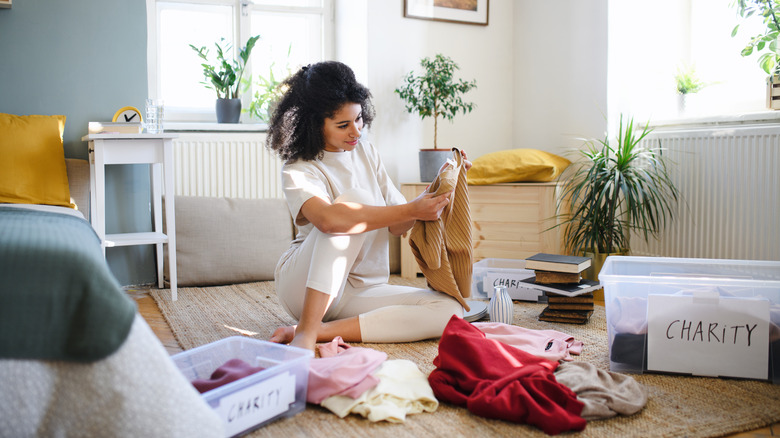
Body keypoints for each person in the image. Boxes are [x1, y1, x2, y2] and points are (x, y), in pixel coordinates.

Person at [265, 61, 471, 352]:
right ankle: (306, 332)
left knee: (450, 310)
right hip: (304, 288)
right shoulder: (298, 168)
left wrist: (438, 189)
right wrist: (411, 209)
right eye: (343, 125)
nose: (356, 131)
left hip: (362, 289)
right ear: (314, 124)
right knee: (354, 203)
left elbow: (399, 224)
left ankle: (321, 331)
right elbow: (328, 221)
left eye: (359, 118)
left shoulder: (367, 152)